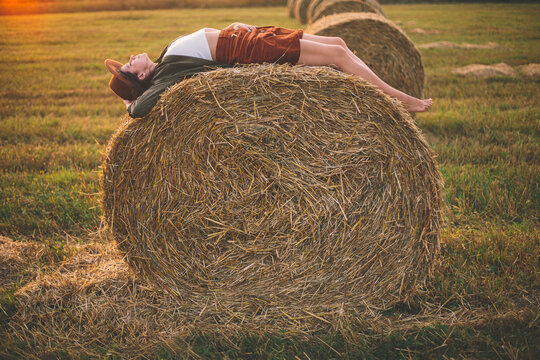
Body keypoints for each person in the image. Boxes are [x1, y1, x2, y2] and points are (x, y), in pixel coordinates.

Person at [105, 23, 432, 118]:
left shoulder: (165, 58)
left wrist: (231, 26)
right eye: (129, 64)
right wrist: (127, 99)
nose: (131, 57)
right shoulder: (164, 76)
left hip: (248, 35)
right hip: (249, 50)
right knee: (336, 56)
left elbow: (205, 44)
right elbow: (140, 108)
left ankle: (392, 95)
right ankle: (399, 99)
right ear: (142, 77)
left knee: (339, 41)